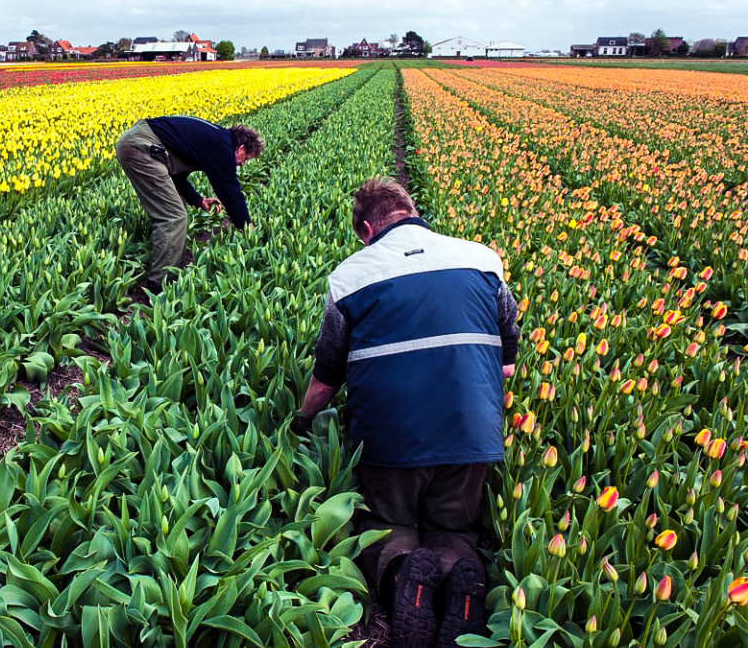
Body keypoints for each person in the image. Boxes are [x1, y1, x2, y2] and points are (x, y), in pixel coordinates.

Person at [293, 177, 519, 648]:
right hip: (471, 431)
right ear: (412, 211)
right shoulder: (483, 259)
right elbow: (507, 361)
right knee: (454, 523)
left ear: (367, 229)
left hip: (391, 438)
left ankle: (402, 577)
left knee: (388, 522)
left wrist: (301, 419)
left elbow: (327, 378)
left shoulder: (350, 276)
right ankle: (461, 581)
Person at [115, 116, 264, 294]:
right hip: (141, 147)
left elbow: (176, 173)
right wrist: (246, 226)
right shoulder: (223, 147)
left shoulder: (215, 138)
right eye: (245, 158)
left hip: (144, 142)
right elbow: (230, 192)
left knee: (178, 206)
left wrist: (198, 200)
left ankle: (172, 270)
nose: (242, 164)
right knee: (173, 216)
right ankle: (159, 287)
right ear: (240, 148)